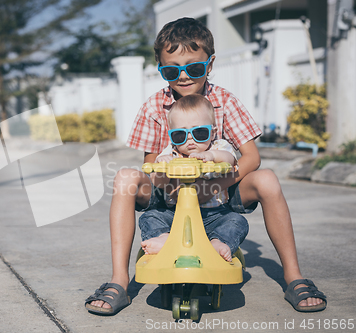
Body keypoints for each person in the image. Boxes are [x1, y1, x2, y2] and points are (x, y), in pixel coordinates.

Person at [85, 17, 326, 315]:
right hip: (170, 193)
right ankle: (119, 280)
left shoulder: (225, 100)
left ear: (209, 65)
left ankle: (293, 276)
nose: (183, 77)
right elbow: (150, 165)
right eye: (172, 70)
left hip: (219, 192)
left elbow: (251, 157)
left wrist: (214, 185)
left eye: (194, 68)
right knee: (123, 177)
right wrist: (176, 184)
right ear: (161, 69)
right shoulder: (153, 106)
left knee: (267, 180)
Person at [139, 94, 248, 263]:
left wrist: (211, 155)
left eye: (199, 132)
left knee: (236, 221)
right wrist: (163, 168)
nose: (190, 139)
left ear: (212, 133)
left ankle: (219, 242)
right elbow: (158, 183)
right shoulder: (171, 153)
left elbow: (230, 160)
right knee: (150, 217)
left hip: (215, 214)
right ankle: (163, 238)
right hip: (176, 216)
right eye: (180, 135)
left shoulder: (219, 147)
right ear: (172, 137)